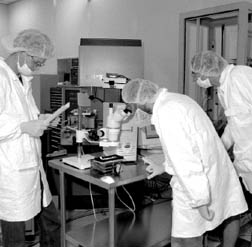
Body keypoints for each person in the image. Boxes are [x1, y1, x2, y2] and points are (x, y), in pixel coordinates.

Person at [121, 78, 248, 247]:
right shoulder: (177, 99)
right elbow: (188, 146)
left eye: (134, 105)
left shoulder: (166, 114)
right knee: (225, 216)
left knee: (185, 239)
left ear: (142, 100)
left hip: (196, 183)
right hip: (213, 171)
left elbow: (186, 161)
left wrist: (201, 201)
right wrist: (163, 167)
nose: (136, 110)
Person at [0, 29, 60, 247]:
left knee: (52, 222)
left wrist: (41, 119)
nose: (38, 66)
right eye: (38, 61)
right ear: (22, 53)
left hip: (32, 164)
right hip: (11, 169)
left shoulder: (23, 80)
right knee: (15, 233)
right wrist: (24, 127)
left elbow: (27, 114)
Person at [191, 50, 252, 203]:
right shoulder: (224, 89)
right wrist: (220, 146)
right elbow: (235, 123)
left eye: (196, 75)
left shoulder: (239, 76)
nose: (197, 80)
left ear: (206, 72)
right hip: (246, 158)